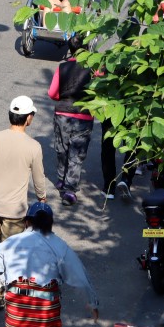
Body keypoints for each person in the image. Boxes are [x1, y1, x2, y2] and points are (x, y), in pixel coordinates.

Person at [0, 96, 48, 312]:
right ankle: (2, 291)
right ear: (28, 118)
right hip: (15, 209)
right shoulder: (33, 146)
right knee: (11, 248)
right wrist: (42, 198)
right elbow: (39, 178)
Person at [48, 36, 94, 205]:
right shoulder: (93, 69)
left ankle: (61, 178)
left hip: (62, 112)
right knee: (77, 153)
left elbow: (52, 93)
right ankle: (69, 189)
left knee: (62, 148)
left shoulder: (63, 67)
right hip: (83, 115)